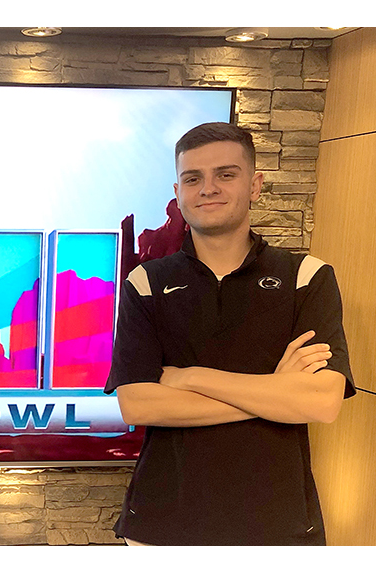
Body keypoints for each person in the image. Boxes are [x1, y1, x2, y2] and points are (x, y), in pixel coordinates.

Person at [105, 122, 354, 546]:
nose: (208, 188)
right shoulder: (145, 281)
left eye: (226, 174)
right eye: (193, 178)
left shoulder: (306, 277)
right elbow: (138, 403)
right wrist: (277, 393)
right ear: (178, 193)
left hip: (281, 525)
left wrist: (190, 377)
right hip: (162, 526)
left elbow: (322, 400)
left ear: (255, 185)